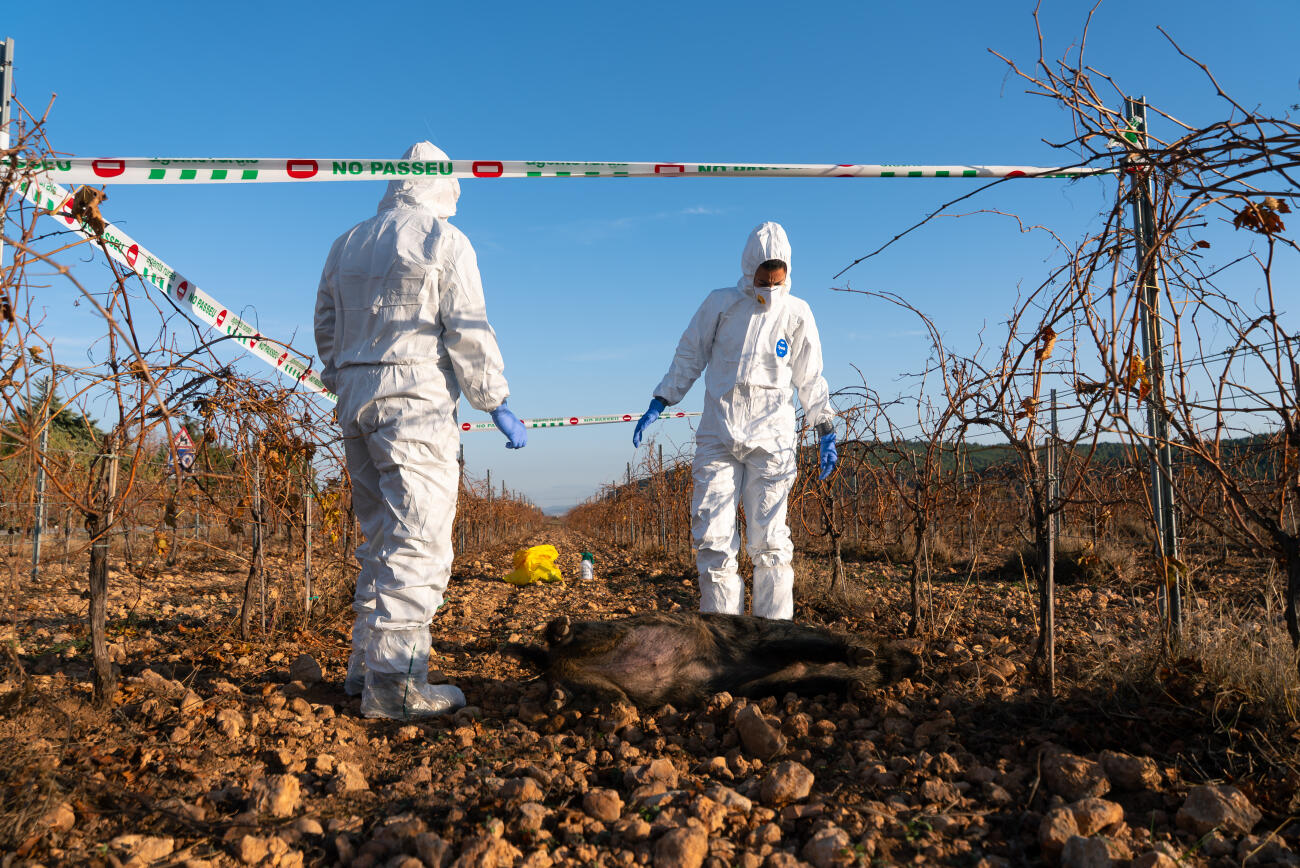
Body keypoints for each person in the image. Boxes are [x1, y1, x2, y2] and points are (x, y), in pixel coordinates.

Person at [315, 141, 527, 719]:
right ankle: (396, 686)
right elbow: (468, 327)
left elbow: (326, 322)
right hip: (414, 400)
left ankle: (365, 667)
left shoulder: (348, 242)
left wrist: (343, 376)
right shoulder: (443, 239)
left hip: (356, 398)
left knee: (381, 536)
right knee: (418, 537)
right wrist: (495, 401)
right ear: (444, 185)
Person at [632, 222, 836, 620]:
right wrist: (662, 399)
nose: (770, 288)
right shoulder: (720, 304)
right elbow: (689, 354)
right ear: (748, 270)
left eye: (777, 281)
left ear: (787, 275)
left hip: (773, 440)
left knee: (771, 542)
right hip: (719, 436)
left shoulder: (797, 313)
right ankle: (722, 633)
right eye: (763, 280)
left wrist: (824, 425)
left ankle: (773, 637)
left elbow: (810, 376)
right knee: (713, 539)